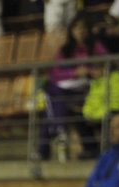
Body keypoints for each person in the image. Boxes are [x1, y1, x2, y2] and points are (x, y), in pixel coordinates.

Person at [39, 14, 108, 161]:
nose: (80, 31)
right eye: (77, 28)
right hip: (67, 89)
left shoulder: (96, 47)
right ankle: (57, 130)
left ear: (89, 30)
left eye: (83, 28)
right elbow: (54, 74)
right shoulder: (65, 50)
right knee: (53, 92)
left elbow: (106, 66)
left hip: (86, 90)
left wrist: (90, 72)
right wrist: (74, 72)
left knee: (51, 99)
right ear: (71, 31)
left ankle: (51, 138)